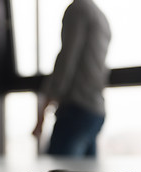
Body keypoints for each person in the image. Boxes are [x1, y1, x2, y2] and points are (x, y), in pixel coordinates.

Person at [33, 0, 111, 157]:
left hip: (76, 108)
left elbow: (66, 61)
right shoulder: (101, 17)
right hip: (95, 110)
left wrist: (43, 110)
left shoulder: (78, 9)